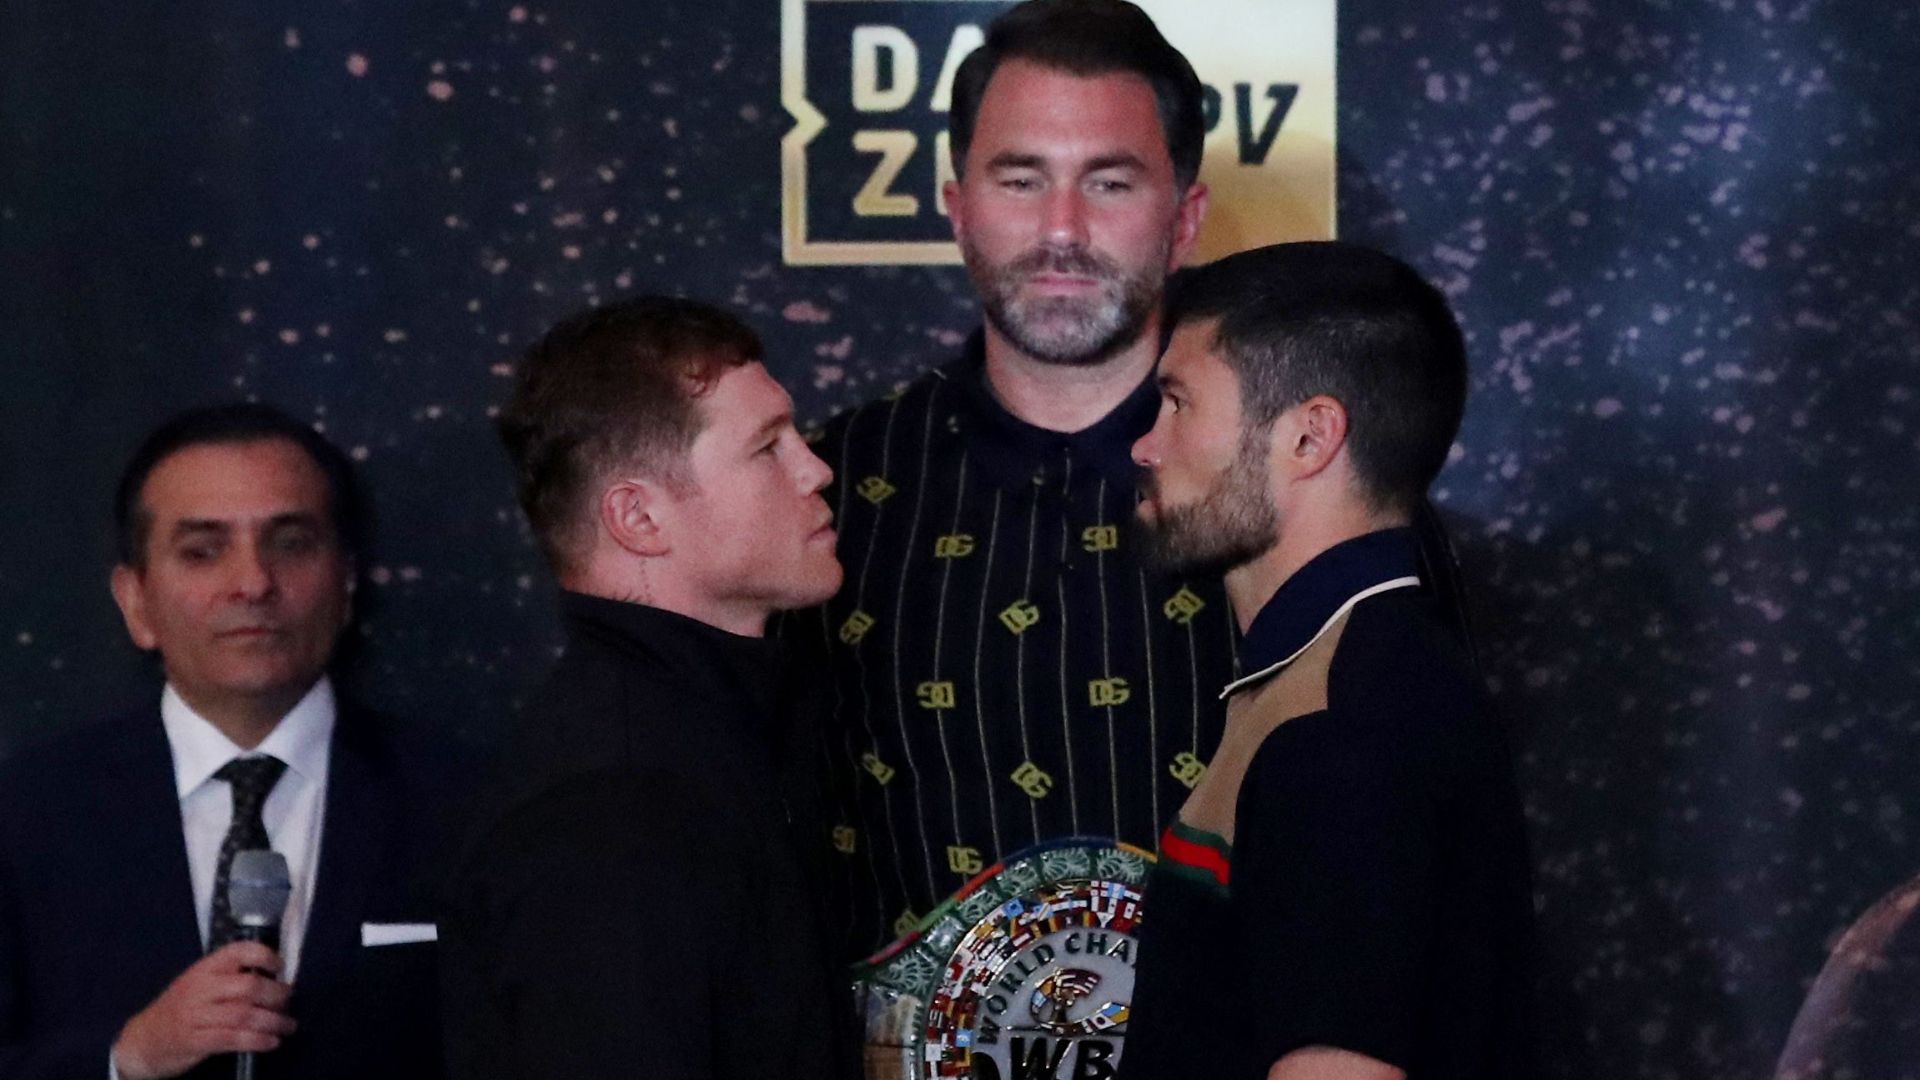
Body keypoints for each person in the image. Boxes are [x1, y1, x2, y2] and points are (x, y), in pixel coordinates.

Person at [800, 0, 1239, 955]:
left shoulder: (1298, 492)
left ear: (1186, 217)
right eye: (1021, 178)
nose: (1063, 229)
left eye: (1110, 183)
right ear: (957, 204)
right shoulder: (824, 494)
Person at [1121, 242, 1536, 1079]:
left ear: (1310, 437)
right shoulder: (1341, 680)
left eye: (1176, 403)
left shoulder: (1345, 726)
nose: (1145, 446)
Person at [439, 297, 853, 1080]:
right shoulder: (611, 813)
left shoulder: (715, 735)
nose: (816, 467)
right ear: (638, 517)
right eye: (768, 447)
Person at [0, 403, 466, 1080]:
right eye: (203, 551)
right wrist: (124, 1056)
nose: (252, 584)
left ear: (347, 582)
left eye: (291, 543)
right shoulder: (27, 815)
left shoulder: (467, 802)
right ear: (135, 601)